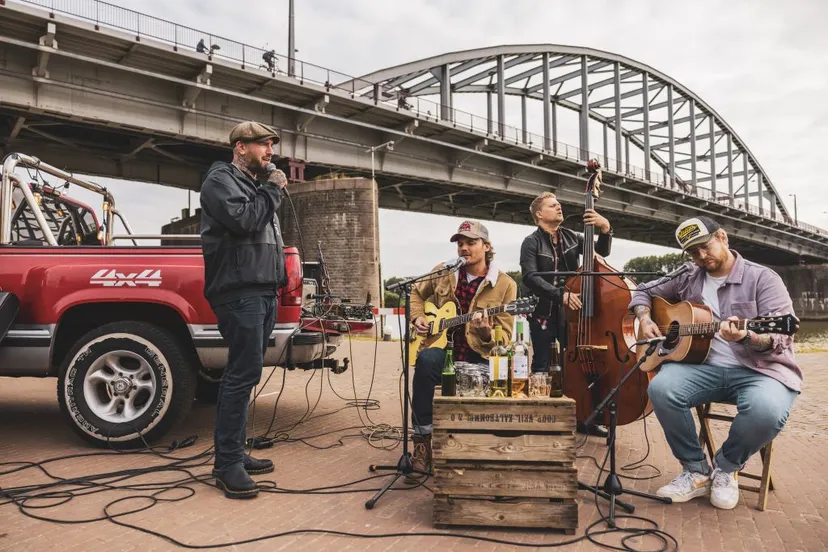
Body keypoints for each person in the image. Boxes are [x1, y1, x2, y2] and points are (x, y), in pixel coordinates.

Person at [629, 216, 801, 510]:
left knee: (766, 410)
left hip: (759, 370)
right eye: (693, 253)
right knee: (661, 388)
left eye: (704, 247)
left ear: (722, 237)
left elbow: (779, 339)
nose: (701, 257)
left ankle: (726, 467)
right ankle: (695, 470)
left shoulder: (763, 278)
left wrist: (747, 337)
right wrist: (645, 318)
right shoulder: (687, 276)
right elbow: (642, 290)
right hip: (703, 368)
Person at [199, 121, 289, 499]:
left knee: (247, 373)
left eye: (272, 145)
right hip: (239, 293)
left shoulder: (253, 186)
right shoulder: (220, 181)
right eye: (263, 145)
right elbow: (245, 221)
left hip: (261, 291)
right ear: (240, 147)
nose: (270, 152)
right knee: (240, 375)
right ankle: (227, 465)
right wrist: (272, 188)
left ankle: (234, 453)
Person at [408, 220, 517, 477]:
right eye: (460, 244)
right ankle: (423, 444)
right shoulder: (443, 271)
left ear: (486, 246)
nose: (464, 248)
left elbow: (506, 340)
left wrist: (487, 333)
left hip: (479, 355)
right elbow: (415, 292)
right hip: (441, 348)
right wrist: (417, 318)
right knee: (425, 363)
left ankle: (479, 450)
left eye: (471, 242)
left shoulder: (505, 284)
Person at [519, 191, 613, 437]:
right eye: (553, 205)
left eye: (559, 204)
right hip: (544, 311)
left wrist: (605, 229)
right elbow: (530, 277)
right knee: (541, 363)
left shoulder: (572, 236)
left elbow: (600, 255)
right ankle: (540, 417)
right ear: (540, 214)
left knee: (580, 365)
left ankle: (586, 418)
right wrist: (560, 294)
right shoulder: (531, 242)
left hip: (575, 314)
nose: (559, 207)